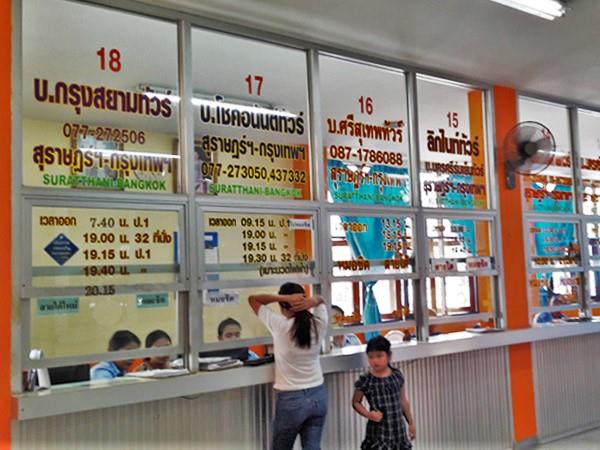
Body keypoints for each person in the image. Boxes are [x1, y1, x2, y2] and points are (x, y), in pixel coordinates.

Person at [248, 283, 328, 450]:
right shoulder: (319, 324)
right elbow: (322, 301)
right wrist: (312, 300)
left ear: (283, 305)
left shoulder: (280, 326)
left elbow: (253, 300)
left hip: (291, 399)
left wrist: (283, 298)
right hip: (318, 395)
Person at [352, 335, 416, 450]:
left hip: (398, 430)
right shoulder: (366, 380)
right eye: (370, 357)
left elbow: (403, 401)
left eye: (379, 356)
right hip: (378, 431)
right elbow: (356, 402)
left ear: (388, 355)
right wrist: (368, 414)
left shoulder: (397, 375)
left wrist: (411, 423)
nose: (374, 360)